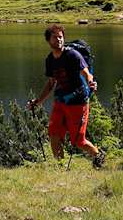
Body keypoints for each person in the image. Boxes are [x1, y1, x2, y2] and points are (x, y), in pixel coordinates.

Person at [29, 23, 105, 168]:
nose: (59, 40)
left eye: (61, 37)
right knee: (54, 135)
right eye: (55, 37)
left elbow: (86, 72)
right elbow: (51, 83)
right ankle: (61, 168)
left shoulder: (72, 55)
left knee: (79, 141)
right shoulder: (50, 60)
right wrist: (38, 102)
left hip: (78, 102)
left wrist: (91, 82)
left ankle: (99, 157)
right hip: (60, 102)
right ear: (48, 40)